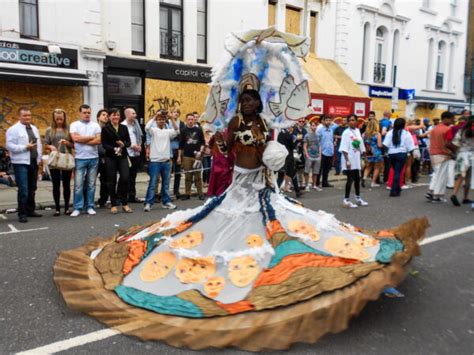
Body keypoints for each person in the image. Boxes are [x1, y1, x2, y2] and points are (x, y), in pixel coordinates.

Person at [53, 30, 428, 348]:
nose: (248, 101)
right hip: (237, 186)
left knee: (289, 233)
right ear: (239, 100)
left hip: (261, 187)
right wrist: (217, 141)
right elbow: (223, 148)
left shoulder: (265, 123)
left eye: (252, 98)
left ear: (259, 102)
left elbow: (269, 155)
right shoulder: (233, 121)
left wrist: (273, 154)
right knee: (209, 234)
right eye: (244, 98)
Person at [6, 107, 43, 223]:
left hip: (33, 162)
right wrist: (25, 147)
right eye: (25, 116)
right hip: (20, 162)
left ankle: (30, 210)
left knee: (32, 188)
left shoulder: (34, 128)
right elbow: (9, 146)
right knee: (23, 189)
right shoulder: (13, 130)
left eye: (29, 115)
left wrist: (39, 158)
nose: (27, 118)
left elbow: (39, 144)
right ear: (19, 116)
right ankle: (22, 213)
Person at [69, 104, 102, 217]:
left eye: (88, 112)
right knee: (78, 185)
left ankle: (90, 206)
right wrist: (92, 137)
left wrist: (81, 139)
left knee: (91, 184)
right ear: (80, 113)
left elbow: (99, 141)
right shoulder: (74, 125)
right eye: (84, 112)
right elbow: (75, 139)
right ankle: (77, 207)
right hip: (80, 158)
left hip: (93, 158)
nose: (87, 114)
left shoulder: (95, 125)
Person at [143, 111, 179, 211]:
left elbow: (177, 131)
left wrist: (171, 118)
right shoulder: (153, 130)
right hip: (155, 161)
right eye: (159, 119)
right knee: (153, 183)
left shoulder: (168, 132)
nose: (161, 121)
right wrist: (155, 116)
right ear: (157, 120)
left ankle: (166, 202)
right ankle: (148, 203)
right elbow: (147, 128)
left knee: (166, 184)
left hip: (166, 161)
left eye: (163, 119)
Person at [101, 108, 132, 214]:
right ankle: (113, 204)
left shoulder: (124, 128)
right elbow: (104, 144)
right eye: (113, 115)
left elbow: (129, 142)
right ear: (109, 117)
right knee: (111, 180)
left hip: (123, 156)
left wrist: (124, 144)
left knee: (125, 178)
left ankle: (124, 203)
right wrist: (113, 148)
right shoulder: (106, 128)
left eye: (118, 115)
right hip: (110, 157)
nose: (116, 117)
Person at [44, 109, 74, 216]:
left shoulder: (69, 129)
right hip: (54, 160)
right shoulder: (49, 130)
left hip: (66, 159)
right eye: (57, 119)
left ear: (64, 118)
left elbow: (74, 145)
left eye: (61, 118)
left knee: (66, 185)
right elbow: (46, 144)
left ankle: (66, 208)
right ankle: (57, 208)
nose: (59, 121)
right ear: (54, 118)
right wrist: (50, 146)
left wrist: (67, 143)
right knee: (55, 185)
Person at [425, 111, 455, 203]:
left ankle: (431, 191)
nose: (452, 121)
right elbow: (448, 143)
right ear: (445, 118)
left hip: (433, 153)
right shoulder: (448, 129)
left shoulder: (435, 128)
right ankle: (437, 196)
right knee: (442, 176)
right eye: (451, 119)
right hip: (443, 153)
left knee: (437, 173)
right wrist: (454, 151)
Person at [339, 114, 367, 208]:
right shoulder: (346, 132)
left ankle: (358, 198)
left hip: (356, 158)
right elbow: (343, 148)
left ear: (356, 121)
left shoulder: (358, 131)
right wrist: (347, 161)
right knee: (350, 179)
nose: (352, 122)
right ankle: (346, 200)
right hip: (349, 158)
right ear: (347, 122)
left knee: (357, 179)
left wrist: (364, 155)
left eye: (354, 120)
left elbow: (361, 144)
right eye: (350, 120)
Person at [383, 118, 415, 197]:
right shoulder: (406, 133)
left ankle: (397, 188)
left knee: (395, 170)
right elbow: (410, 146)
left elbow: (385, 144)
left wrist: (386, 153)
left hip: (391, 154)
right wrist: (412, 155)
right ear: (403, 125)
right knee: (398, 172)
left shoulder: (390, 132)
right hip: (401, 153)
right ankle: (394, 190)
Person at [179, 113, 205, 200]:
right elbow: (181, 145)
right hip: (186, 156)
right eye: (189, 119)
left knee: (198, 176)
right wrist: (180, 157)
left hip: (197, 157)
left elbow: (202, 142)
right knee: (188, 176)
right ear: (186, 120)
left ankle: (200, 193)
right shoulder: (183, 130)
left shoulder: (198, 130)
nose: (190, 121)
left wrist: (200, 152)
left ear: (194, 120)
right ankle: (187, 193)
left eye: (192, 119)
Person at [449, 116, 473, 206]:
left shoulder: (461, 131)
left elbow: (455, 143)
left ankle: (454, 194)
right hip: (471, 156)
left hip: (461, 155)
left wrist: (456, 152)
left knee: (460, 176)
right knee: (468, 178)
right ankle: (465, 197)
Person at [122, 107, 143, 203]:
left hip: (136, 154)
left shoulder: (136, 124)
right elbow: (122, 140)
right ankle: (122, 196)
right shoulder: (122, 125)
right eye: (133, 114)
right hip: (126, 154)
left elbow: (140, 136)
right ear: (127, 115)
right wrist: (132, 146)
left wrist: (139, 145)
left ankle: (132, 196)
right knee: (125, 176)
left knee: (133, 176)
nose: (136, 115)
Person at [206, 129, 235, 197]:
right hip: (223, 162)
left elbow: (210, 144)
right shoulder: (229, 135)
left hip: (220, 161)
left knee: (219, 180)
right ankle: (221, 196)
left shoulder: (220, 134)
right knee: (222, 180)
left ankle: (219, 195)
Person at [277, 125, 302, 198]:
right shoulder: (289, 135)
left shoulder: (280, 134)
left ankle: (276, 192)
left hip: (281, 157)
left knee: (281, 175)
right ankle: (297, 191)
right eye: (292, 127)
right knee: (293, 174)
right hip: (289, 158)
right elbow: (293, 145)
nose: (292, 129)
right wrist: (297, 140)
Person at [362, 118, 383, 188]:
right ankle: (373, 182)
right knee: (377, 168)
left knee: (368, 166)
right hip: (376, 152)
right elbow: (379, 145)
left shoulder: (364, 134)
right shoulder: (377, 134)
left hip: (368, 152)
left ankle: (364, 178)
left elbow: (362, 144)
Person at [169, 108, 185, 198]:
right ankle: (166, 191)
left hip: (178, 149)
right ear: (171, 113)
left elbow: (181, 136)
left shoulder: (181, 123)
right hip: (168, 149)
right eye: (174, 112)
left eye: (177, 113)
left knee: (178, 171)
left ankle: (176, 190)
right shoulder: (167, 122)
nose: (176, 114)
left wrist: (174, 135)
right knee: (168, 172)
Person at [96, 109, 110, 208]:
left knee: (105, 180)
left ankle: (103, 201)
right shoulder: (94, 128)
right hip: (95, 157)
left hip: (106, 158)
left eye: (107, 115)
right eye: (103, 115)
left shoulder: (109, 129)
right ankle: (87, 201)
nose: (105, 116)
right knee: (90, 181)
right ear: (98, 117)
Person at [316, 115, 334, 187]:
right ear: (323, 121)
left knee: (327, 169)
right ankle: (316, 183)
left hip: (330, 152)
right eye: (326, 120)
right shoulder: (320, 130)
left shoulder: (331, 129)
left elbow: (331, 140)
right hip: (322, 152)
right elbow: (317, 141)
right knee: (319, 169)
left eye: (330, 120)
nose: (328, 122)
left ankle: (325, 182)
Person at [303, 120, 321, 191]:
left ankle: (314, 185)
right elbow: (305, 145)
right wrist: (306, 154)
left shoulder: (318, 135)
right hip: (309, 156)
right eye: (312, 125)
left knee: (315, 172)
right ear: (310, 126)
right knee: (307, 171)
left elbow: (319, 145)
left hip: (317, 156)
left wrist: (320, 155)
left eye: (315, 125)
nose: (314, 127)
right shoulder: (307, 135)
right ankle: (307, 185)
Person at [293, 118, 307, 188]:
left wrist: (300, 139)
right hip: (294, 151)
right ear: (297, 122)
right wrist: (299, 140)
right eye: (300, 121)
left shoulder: (304, 130)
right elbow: (294, 139)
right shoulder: (294, 129)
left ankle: (301, 183)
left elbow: (305, 140)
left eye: (303, 121)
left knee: (301, 168)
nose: (301, 122)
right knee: (294, 168)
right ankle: (292, 184)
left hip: (301, 151)